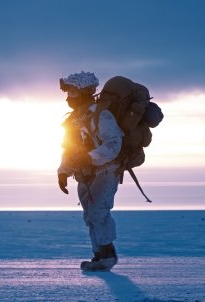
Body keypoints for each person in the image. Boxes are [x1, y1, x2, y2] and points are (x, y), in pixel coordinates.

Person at [57, 71, 123, 271]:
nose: (68, 98)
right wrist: (63, 171)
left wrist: (90, 157)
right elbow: (70, 149)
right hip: (85, 175)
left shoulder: (101, 115)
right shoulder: (74, 119)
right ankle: (98, 255)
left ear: (85, 92)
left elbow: (114, 144)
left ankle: (107, 255)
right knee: (90, 215)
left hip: (106, 171)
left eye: (73, 93)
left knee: (98, 212)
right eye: (68, 93)